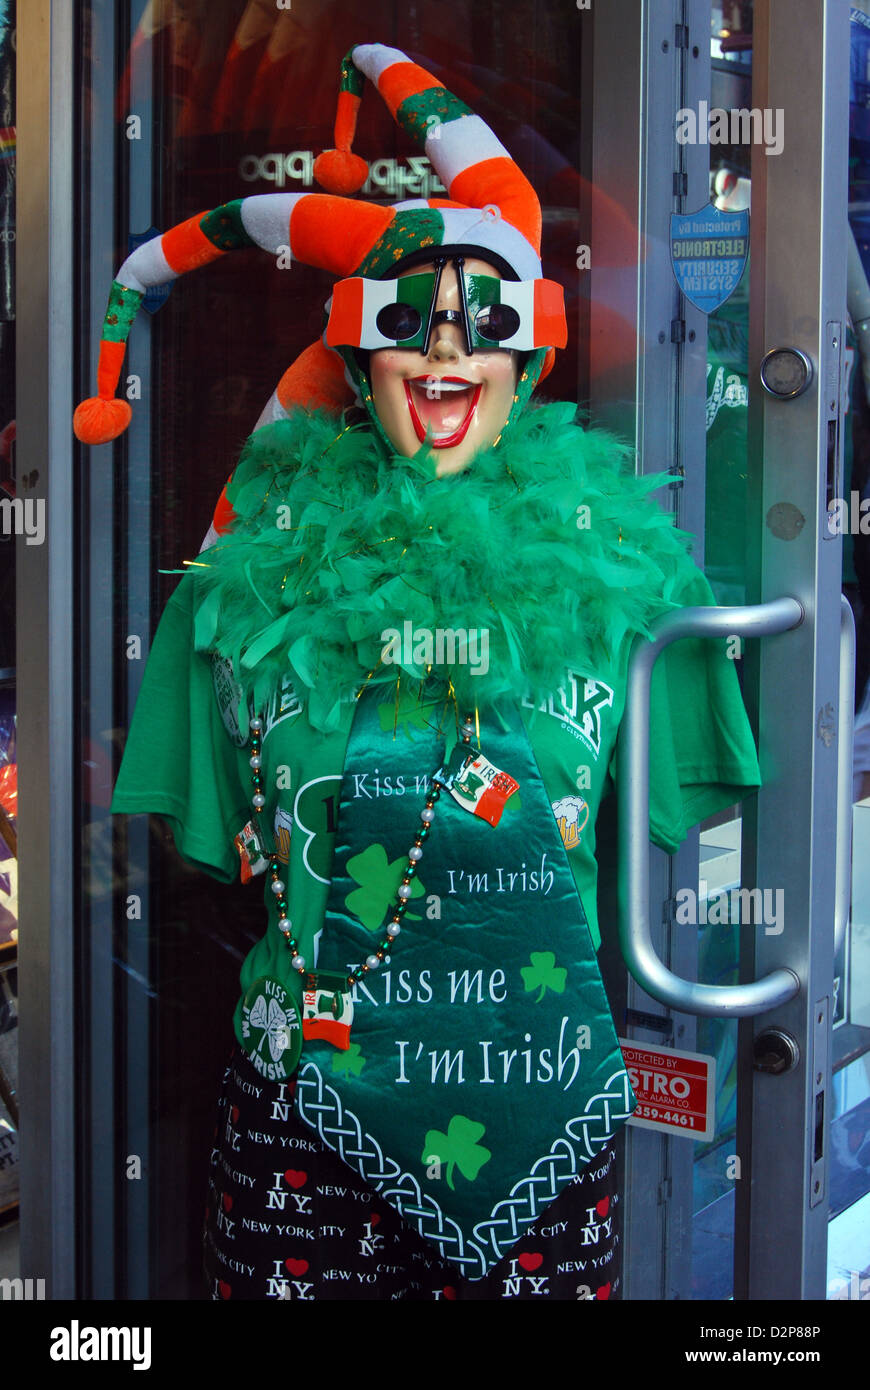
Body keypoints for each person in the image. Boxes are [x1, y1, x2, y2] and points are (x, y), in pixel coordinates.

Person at [75, 43, 761, 1300]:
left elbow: (678, 810)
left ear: (531, 356)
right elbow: (209, 837)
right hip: (302, 1139)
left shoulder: (632, 581)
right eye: (409, 321)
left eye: (486, 321)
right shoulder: (243, 587)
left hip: (545, 1141)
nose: (448, 351)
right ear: (355, 355)